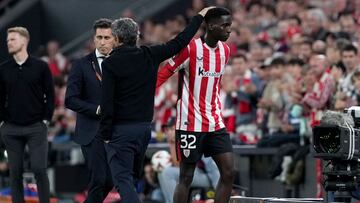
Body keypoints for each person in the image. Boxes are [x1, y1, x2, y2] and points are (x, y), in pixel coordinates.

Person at [99, 6, 214, 203]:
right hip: (144, 130)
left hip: (121, 131)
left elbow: (107, 102)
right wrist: (198, 18)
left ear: (116, 39)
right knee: (131, 179)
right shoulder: (149, 54)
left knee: (124, 180)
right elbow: (179, 42)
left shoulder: (110, 64)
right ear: (136, 37)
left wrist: (106, 135)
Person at [156, 7, 234, 203]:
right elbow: (164, 73)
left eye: (229, 25)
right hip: (190, 124)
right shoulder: (190, 49)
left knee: (229, 172)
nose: (228, 30)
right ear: (210, 26)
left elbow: (214, 85)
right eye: (224, 25)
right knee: (186, 177)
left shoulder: (225, 50)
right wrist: (140, 94)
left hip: (215, 122)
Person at [0, 27, 55, 203]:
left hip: (36, 127)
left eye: (12, 39)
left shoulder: (41, 67)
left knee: (39, 169)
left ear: (24, 41)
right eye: (8, 40)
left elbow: (51, 95)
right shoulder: (3, 69)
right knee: (15, 172)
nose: (8, 43)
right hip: (11, 128)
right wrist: (2, 122)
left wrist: (46, 119)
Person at [65, 18, 114, 202]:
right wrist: (96, 109)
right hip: (91, 131)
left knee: (111, 180)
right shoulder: (81, 65)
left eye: (107, 37)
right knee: (99, 180)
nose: (102, 42)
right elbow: (70, 99)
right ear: (93, 39)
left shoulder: (121, 62)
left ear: (114, 39)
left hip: (116, 131)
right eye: (99, 37)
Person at [158, 117, 220, 203]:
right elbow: (178, 165)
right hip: (190, 174)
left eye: (172, 129)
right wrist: (172, 144)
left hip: (208, 177)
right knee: (161, 175)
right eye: (167, 130)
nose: (169, 132)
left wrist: (218, 195)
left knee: (167, 173)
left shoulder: (191, 138)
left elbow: (213, 167)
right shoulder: (175, 141)